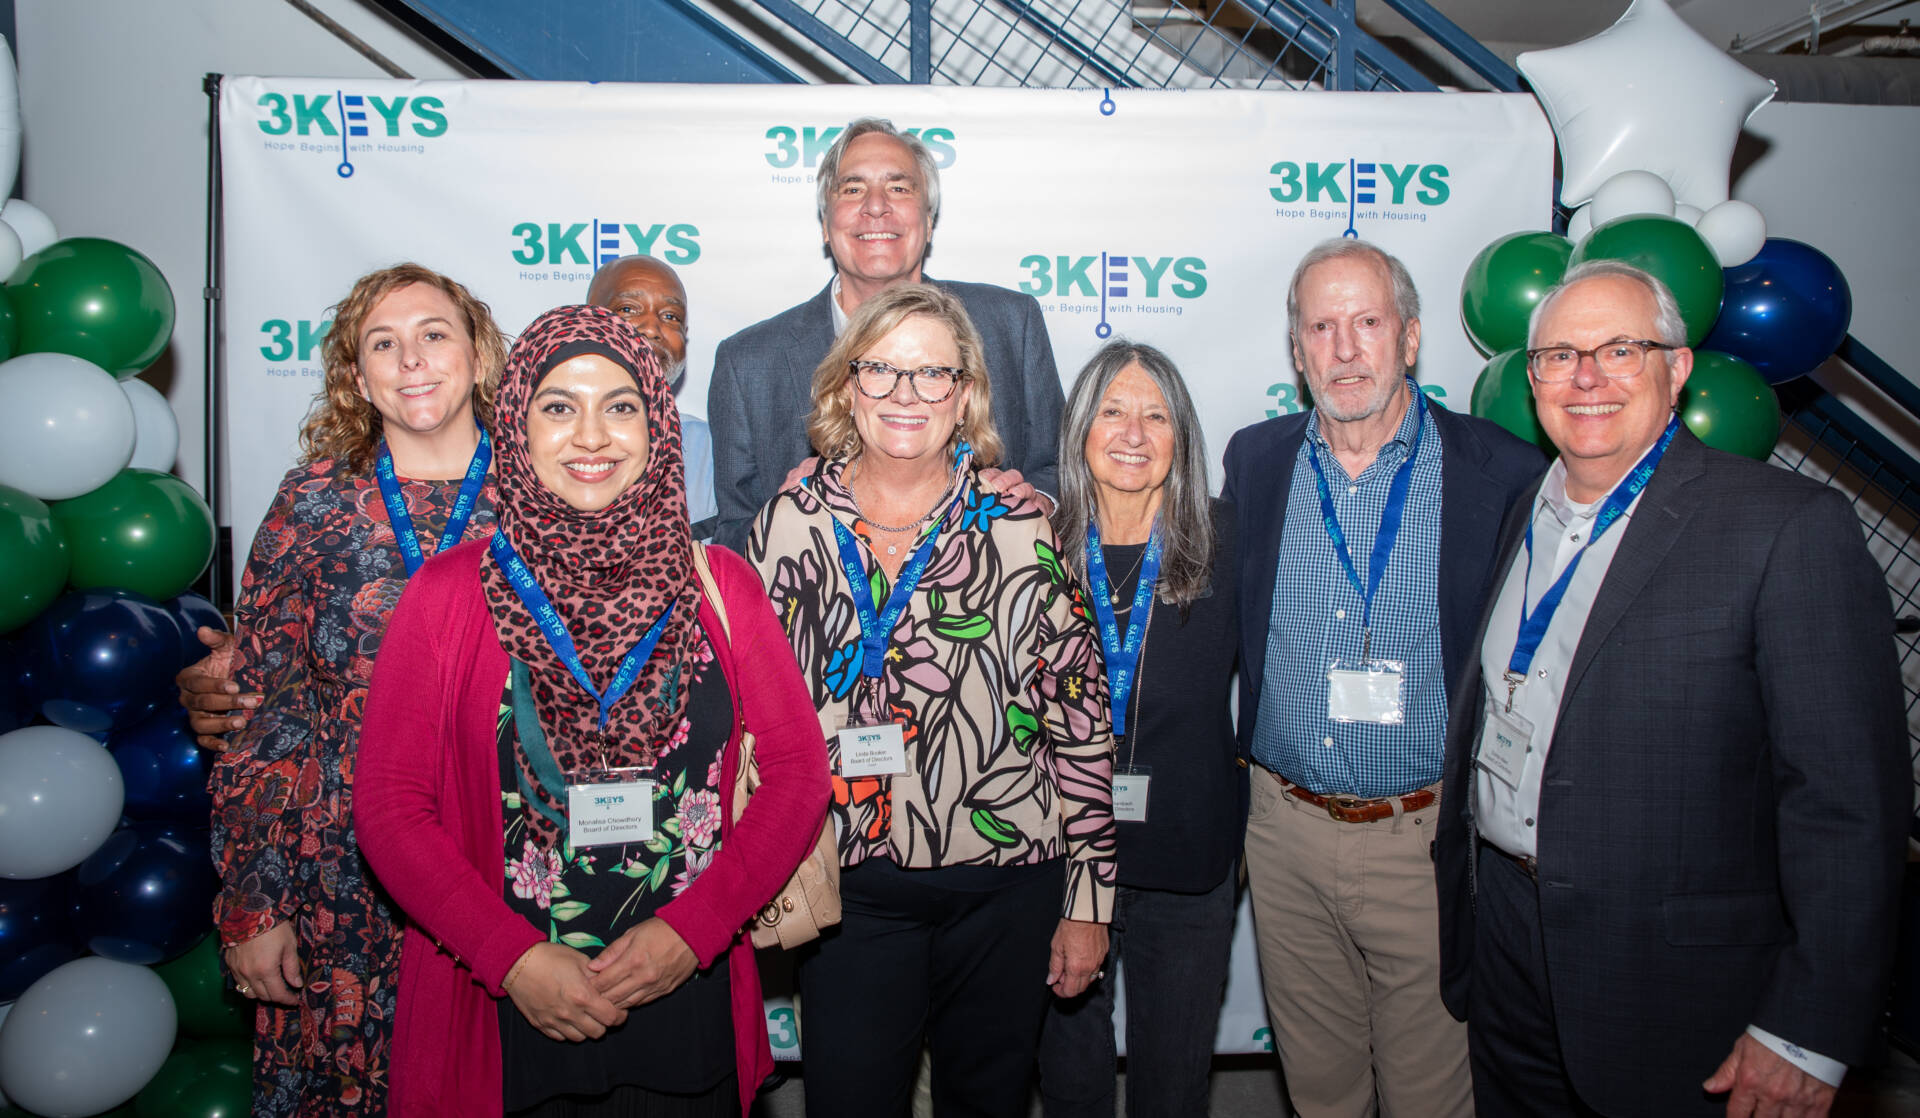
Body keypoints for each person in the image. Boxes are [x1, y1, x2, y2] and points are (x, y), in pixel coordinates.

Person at [1435, 260, 1907, 1118]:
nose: (1586, 379)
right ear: (1529, 376)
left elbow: (1848, 805)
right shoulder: (1523, 511)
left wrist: (1809, 1028)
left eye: (1619, 349)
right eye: (1559, 356)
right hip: (1506, 946)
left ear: (1678, 367)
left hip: (1674, 989)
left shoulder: (1785, 529)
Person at [353, 304, 831, 1117]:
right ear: (515, 425)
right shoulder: (445, 596)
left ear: (657, 425)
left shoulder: (722, 584)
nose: (592, 436)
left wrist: (694, 930)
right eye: (558, 407)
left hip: (691, 996)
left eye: (620, 406)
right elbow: (391, 810)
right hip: (508, 1010)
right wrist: (510, 961)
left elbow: (796, 778)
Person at [745, 283, 1114, 1118]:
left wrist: (1089, 905)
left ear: (965, 397)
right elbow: (757, 713)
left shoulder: (1022, 529)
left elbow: (1082, 729)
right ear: (847, 386)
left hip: (1007, 885)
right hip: (850, 889)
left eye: (932, 375)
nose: (905, 396)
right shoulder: (788, 523)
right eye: (881, 371)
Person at [1221, 238, 1543, 1118]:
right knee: (1320, 1094)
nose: (1346, 348)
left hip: (1425, 840)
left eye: (1368, 322)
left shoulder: (1502, 473)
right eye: (1321, 327)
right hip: (1283, 838)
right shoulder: (1256, 462)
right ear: (1297, 352)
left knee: (1432, 1097)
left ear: (1410, 339)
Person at [206, 263, 508, 1117]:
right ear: (355, 373)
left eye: (434, 334)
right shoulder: (313, 504)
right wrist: (253, 905)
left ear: (479, 354)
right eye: (385, 343)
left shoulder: (541, 496)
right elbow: (267, 715)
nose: (412, 359)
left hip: (503, 850)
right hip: (342, 868)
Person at [1036, 341, 1240, 1118]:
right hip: (1058, 854)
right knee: (1071, 1074)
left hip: (1187, 854)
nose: (1132, 432)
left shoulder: (1228, 540)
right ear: (1079, 430)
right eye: (1112, 411)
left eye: (1155, 415)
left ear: (1180, 434)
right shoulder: (1034, 545)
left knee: (1173, 1079)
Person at [709, 117, 1064, 549]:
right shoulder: (746, 365)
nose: (875, 206)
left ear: (929, 222)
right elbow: (731, 538)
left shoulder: (1012, 323)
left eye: (899, 187)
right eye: (853, 188)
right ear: (825, 224)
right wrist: (777, 520)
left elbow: (1061, 466)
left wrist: (1039, 501)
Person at [586, 254, 718, 540]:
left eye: (670, 316)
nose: (650, 328)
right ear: (588, 323)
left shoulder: (712, 450)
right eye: (628, 309)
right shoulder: (549, 444)